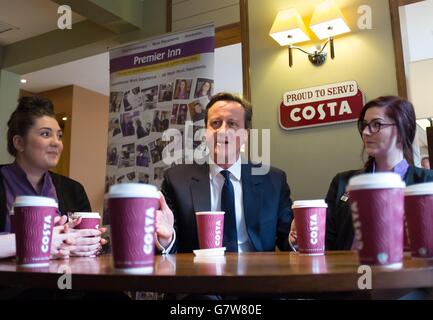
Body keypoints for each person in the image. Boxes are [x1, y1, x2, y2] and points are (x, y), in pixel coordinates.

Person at [155, 92, 293, 253]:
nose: (222, 131)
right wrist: (166, 239)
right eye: (215, 123)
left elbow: (288, 240)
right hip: (200, 274)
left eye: (232, 124)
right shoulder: (176, 181)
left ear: (246, 134)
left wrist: (297, 236)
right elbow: (170, 244)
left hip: (258, 274)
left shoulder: (274, 181)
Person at [0, 96, 106, 259]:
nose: (57, 143)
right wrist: (41, 242)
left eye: (59, 136)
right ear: (19, 142)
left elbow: (84, 246)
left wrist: (83, 246)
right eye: (45, 134)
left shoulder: (73, 190)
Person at [325, 96, 433, 250]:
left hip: (410, 272)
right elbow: (326, 243)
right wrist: (298, 241)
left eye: (377, 124)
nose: (366, 132)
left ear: (403, 131)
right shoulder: (343, 181)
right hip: (351, 271)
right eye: (364, 125)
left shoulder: (428, 182)